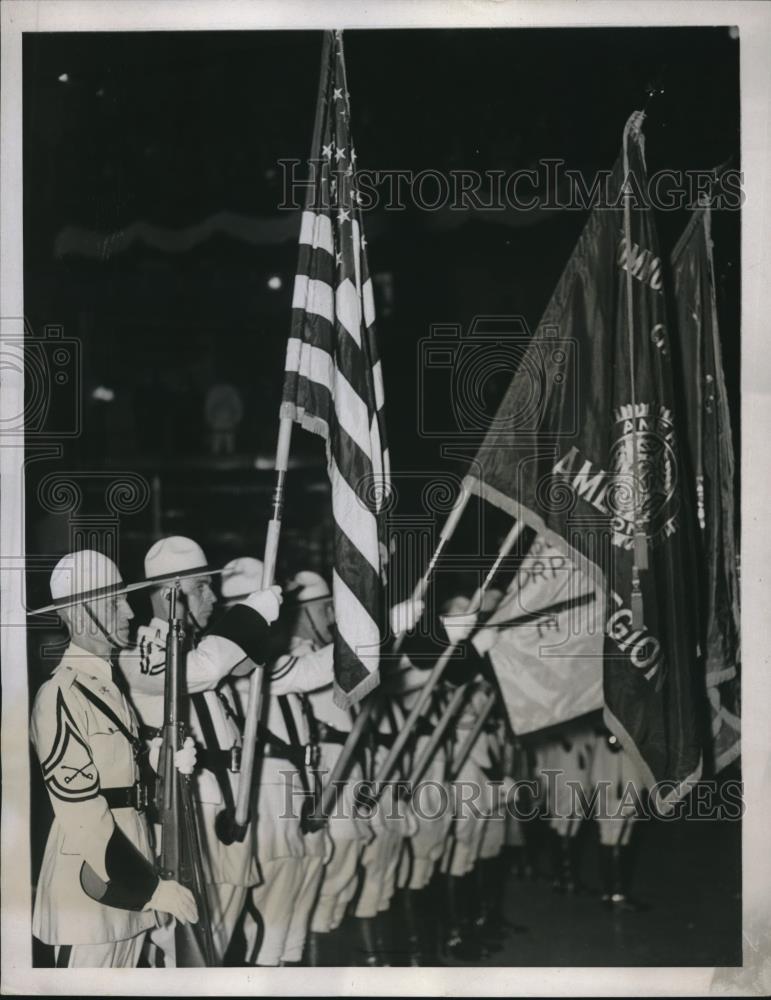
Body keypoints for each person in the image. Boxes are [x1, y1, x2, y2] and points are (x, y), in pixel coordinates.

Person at [117, 537, 283, 964]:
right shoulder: (140, 652)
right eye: (200, 588)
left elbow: (237, 663)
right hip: (185, 810)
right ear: (168, 593)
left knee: (223, 933)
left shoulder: (199, 645)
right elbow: (198, 672)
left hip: (226, 808)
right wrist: (249, 616)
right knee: (182, 942)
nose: (212, 597)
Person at [30, 549, 198, 969]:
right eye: (114, 602)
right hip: (92, 880)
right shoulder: (61, 695)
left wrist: (158, 762)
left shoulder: (106, 686)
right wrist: (149, 888)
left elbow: (118, 775)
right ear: (81, 616)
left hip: (132, 864)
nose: (128, 610)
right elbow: (80, 809)